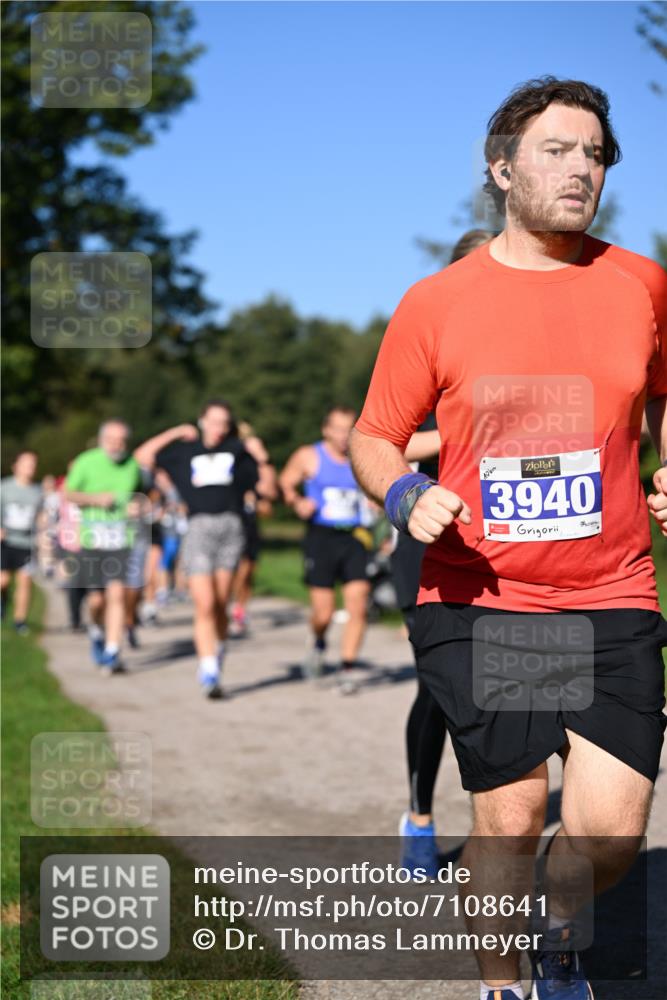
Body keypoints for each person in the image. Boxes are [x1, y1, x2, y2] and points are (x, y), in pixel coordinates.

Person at [350, 76, 667, 1000]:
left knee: (607, 835)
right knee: (515, 810)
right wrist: (406, 489)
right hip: (485, 596)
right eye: (556, 151)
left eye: (595, 154)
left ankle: (560, 935)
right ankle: (504, 980)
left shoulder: (641, 286)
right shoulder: (437, 302)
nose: (581, 170)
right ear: (501, 169)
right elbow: (373, 435)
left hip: (610, 589)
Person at [397, 231, 494, 877]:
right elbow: (385, 447)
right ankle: (420, 815)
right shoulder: (424, 345)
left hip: (511, 547)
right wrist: (457, 431)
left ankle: (499, 825)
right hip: (432, 542)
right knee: (440, 688)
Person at [134, 399, 260, 698]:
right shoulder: (184, 452)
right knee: (203, 603)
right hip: (198, 528)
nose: (219, 429)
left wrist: (258, 453)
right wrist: (176, 432)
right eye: (214, 422)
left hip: (230, 528)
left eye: (224, 423)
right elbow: (143, 455)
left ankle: (218, 648)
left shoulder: (237, 451)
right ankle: (209, 670)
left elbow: (261, 484)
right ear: (202, 420)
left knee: (219, 603)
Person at [280, 406, 372, 694]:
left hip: (355, 537)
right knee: (324, 612)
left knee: (358, 605)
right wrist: (296, 501)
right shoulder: (309, 455)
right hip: (321, 538)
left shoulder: (363, 457)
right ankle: (319, 641)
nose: (345, 436)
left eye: (350, 429)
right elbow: (286, 482)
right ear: (326, 430)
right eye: (339, 429)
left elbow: (379, 489)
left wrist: (377, 502)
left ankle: (347, 668)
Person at [65, 421, 142, 674]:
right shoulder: (86, 462)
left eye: (121, 440)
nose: (116, 445)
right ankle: (97, 631)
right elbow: (68, 493)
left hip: (121, 539)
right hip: (92, 540)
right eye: (111, 439)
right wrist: (95, 499)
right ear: (101, 439)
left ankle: (112, 651)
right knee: (97, 601)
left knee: (117, 594)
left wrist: (138, 506)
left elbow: (143, 495)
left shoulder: (133, 465)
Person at [229, 421, 278, 637]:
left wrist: (262, 457)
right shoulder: (229, 459)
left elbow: (270, 492)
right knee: (234, 568)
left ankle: (240, 608)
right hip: (230, 518)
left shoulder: (257, 462)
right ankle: (228, 606)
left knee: (248, 569)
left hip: (249, 520)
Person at [0, 450, 42, 634]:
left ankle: (20, 621)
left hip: (27, 543)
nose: (30, 468)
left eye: (33, 464)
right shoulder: (5, 487)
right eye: (26, 463)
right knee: (3, 581)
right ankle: (3, 601)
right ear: (16, 465)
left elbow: (41, 517)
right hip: (6, 541)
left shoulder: (38, 492)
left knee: (25, 581)